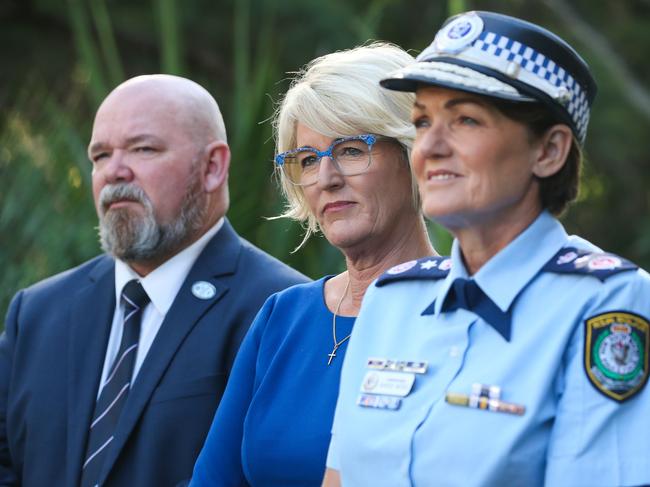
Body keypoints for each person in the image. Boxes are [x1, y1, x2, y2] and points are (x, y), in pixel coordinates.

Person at [325, 11, 650, 487]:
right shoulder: (392, 300)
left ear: (549, 152)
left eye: (465, 120)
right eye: (422, 121)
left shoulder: (606, 304)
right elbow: (339, 478)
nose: (430, 145)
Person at [0, 74, 308, 487]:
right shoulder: (37, 313)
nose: (114, 172)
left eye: (143, 149)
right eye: (100, 155)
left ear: (213, 167)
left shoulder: (282, 310)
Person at [190, 43, 435, 486]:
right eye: (307, 160)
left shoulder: (465, 310)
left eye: (352, 150)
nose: (326, 178)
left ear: (413, 152)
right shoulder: (282, 317)